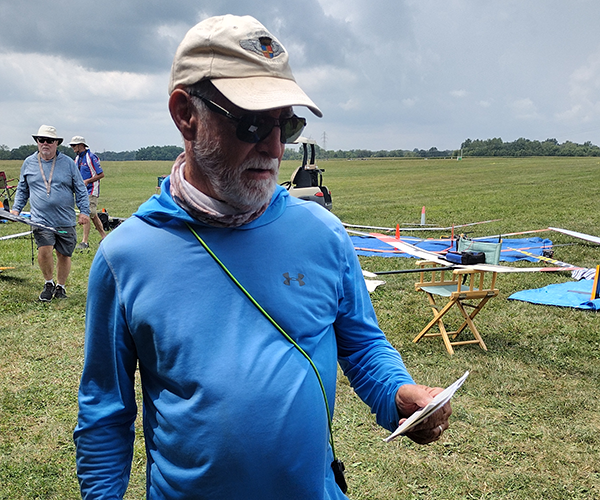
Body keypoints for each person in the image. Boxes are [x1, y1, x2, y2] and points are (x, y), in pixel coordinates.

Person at [74, 15, 452, 499]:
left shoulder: (324, 234)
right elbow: (105, 412)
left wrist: (399, 395)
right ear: (185, 113)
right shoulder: (125, 257)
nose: (274, 147)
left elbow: (361, 345)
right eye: (251, 123)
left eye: (286, 125)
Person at [11, 125, 90, 301]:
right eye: (41, 140)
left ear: (56, 143)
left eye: (49, 140)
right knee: (44, 250)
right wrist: (16, 209)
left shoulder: (68, 163)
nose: (45, 143)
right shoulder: (29, 163)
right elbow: (23, 189)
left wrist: (84, 211)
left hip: (65, 219)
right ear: (37, 142)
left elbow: (81, 189)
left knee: (64, 254)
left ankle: (60, 287)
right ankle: (48, 283)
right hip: (41, 220)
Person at [69, 136, 107, 249]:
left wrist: (87, 181)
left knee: (87, 213)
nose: (72, 147)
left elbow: (101, 174)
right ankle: (104, 237)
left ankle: (84, 242)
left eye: (74, 145)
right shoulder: (76, 159)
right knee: (93, 215)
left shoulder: (91, 157)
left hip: (91, 189)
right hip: (81, 191)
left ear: (81, 145)